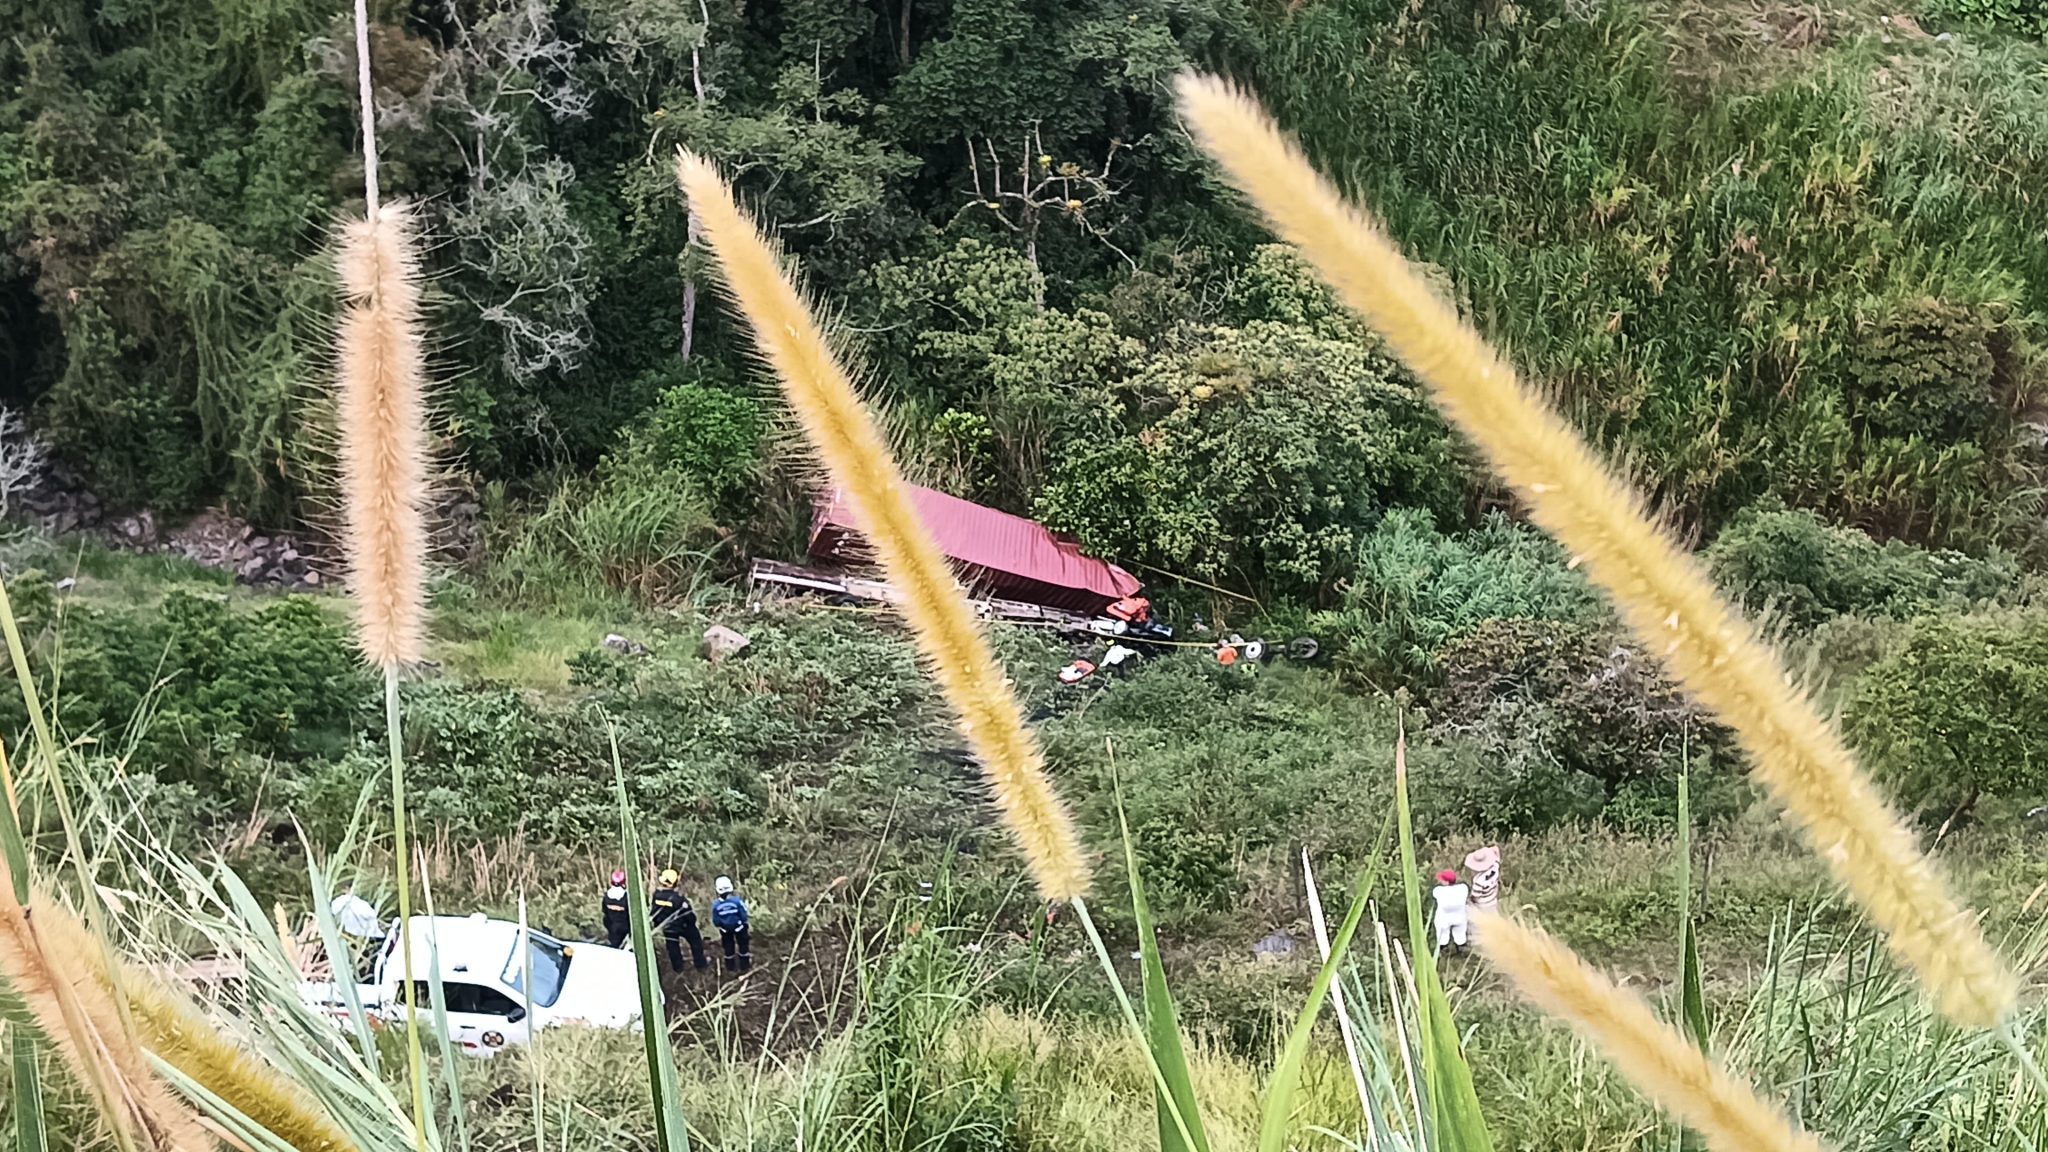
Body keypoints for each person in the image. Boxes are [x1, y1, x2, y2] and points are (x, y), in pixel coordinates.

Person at [649, 868, 707, 971]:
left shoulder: (656, 896)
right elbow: (689, 915)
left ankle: (678, 968)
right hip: (682, 926)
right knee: (695, 941)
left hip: (667, 926)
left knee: (672, 947)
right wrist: (692, 923)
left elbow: (654, 912)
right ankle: (700, 964)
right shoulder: (678, 899)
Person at [710, 875, 751, 972]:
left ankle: (730, 967)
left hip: (725, 931)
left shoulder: (716, 905)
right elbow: (744, 915)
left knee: (728, 948)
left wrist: (722, 926)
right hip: (740, 928)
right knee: (743, 945)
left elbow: (716, 920)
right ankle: (745, 966)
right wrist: (742, 922)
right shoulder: (737, 901)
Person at [1431, 868, 1469, 954]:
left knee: (1442, 934)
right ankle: (1461, 948)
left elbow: (1434, 895)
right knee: (1460, 933)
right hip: (1459, 916)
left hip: (1444, 917)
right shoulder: (1463, 889)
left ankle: (1444, 949)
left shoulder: (1438, 891)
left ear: (1446, 882)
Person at [601, 870, 631, 948]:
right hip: (625, 928)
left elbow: (604, 911)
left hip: (611, 927)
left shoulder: (607, 895)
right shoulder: (626, 896)